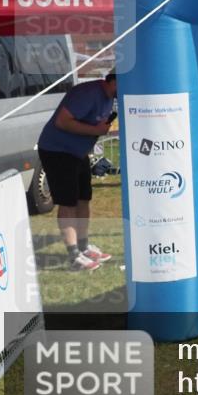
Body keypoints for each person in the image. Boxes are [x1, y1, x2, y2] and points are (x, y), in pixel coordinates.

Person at [37, 71, 117, 271]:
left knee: (84, 198)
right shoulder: (88, 92)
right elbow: (62, 122)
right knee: (68, 201)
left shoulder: (108, 97)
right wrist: (96, 131)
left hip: (77, 153)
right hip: (58, 150)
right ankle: (74, 255)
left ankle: (83, 246)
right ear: (114, 81)